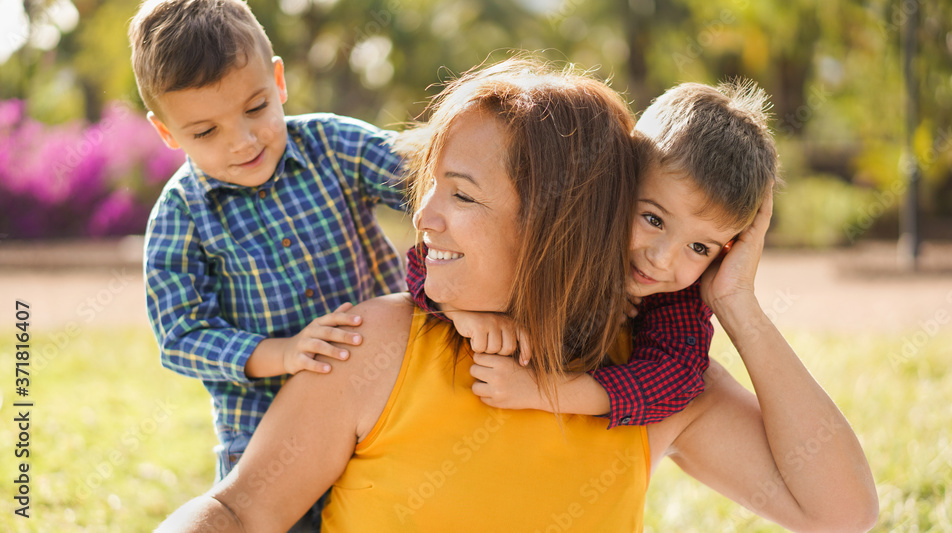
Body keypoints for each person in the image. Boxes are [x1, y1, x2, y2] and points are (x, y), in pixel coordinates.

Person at [157, 58, 878, 532]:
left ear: (556, 219)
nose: (425, 215)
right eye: (431, 186)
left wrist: (739, 305)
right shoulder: (377, 343)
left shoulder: (656, 384)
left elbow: (842, 514)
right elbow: (238, 511)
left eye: (462, 195)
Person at [130, 0, 406, 526]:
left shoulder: (332, 144)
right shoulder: (181, 214)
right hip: (261, 433)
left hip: (380, 402)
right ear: (168, 133)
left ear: (277, 81)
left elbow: (423, 183)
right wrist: (283, 352)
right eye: (205, 132)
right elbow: (182, 336)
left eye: (255, 108)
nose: (243, 140)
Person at [405, 81, 779, 428]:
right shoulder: (560, 234)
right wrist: (458, 310)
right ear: (616, 185)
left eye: (699, 248)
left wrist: (544, 391)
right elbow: (427, 259)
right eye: (653, 218)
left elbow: (675, 379)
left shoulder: (675, 300)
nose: (662, 259)